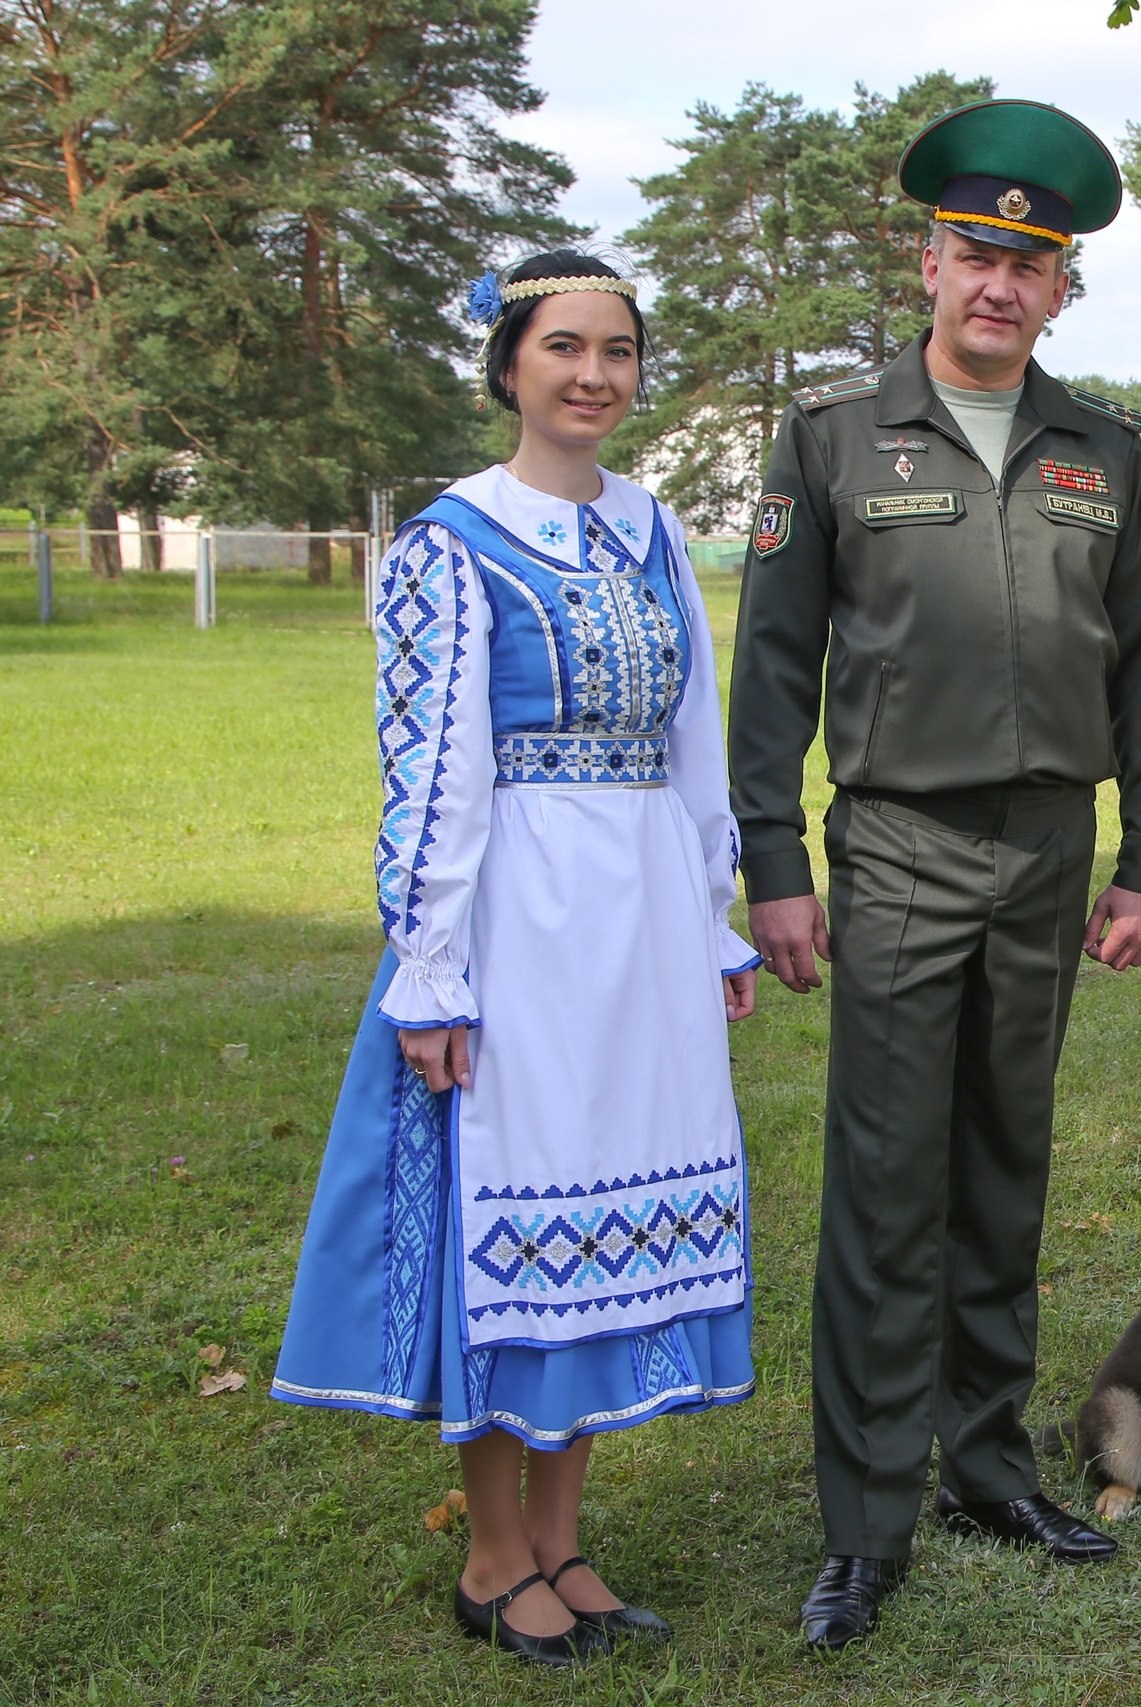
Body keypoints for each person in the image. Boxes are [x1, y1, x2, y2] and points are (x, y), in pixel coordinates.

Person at [727, 100, 1141, 1649]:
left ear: (1061, 289)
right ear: (927, 262)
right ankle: (866, 1516)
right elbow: (775, 666)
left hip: (1051, 856)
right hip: (902, 850)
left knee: (1004, 1166)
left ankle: (986, 1463)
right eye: (976, 253)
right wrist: (776, 864)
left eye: (1031, 264)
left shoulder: (1100, 449)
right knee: (884, 1187)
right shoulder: (833, 442)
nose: (1000, 284)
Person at [270, 251, 763, 1666]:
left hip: (645, 911)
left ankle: (565, 1534)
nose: (594, 374)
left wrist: (712, 907)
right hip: (523, 915)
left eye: (617, 349)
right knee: (527, 1216)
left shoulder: (657, 528)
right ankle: (494, 1552)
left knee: (617, 1219)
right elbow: (431, 770)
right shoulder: (448, 539)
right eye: (564, 347)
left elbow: (694, 737)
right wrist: (432, 965)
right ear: (508, 367)